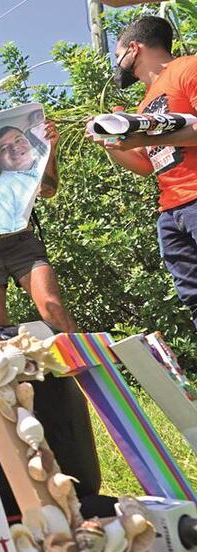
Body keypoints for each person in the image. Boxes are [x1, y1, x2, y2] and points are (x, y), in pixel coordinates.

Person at [88, 16, 197, 329]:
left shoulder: (188, 68)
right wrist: (110, 141)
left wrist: (148, 137)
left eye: (117, 55)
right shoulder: (145, 103)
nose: (117, 65)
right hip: (171, 212)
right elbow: (147, 164)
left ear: (133, 49)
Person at [0, 105, 77, 333]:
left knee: (54, 310)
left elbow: (47, 191)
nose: (14, 149)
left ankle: (83, 368)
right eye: (4, 148)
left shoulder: (30, 172)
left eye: (18, 141)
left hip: (21, 243)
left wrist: (51, 148)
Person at [0, 126, 50, 236]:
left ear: (29, 142)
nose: (15, 147)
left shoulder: (41, 168)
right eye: (4, 148)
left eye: (19, 140)